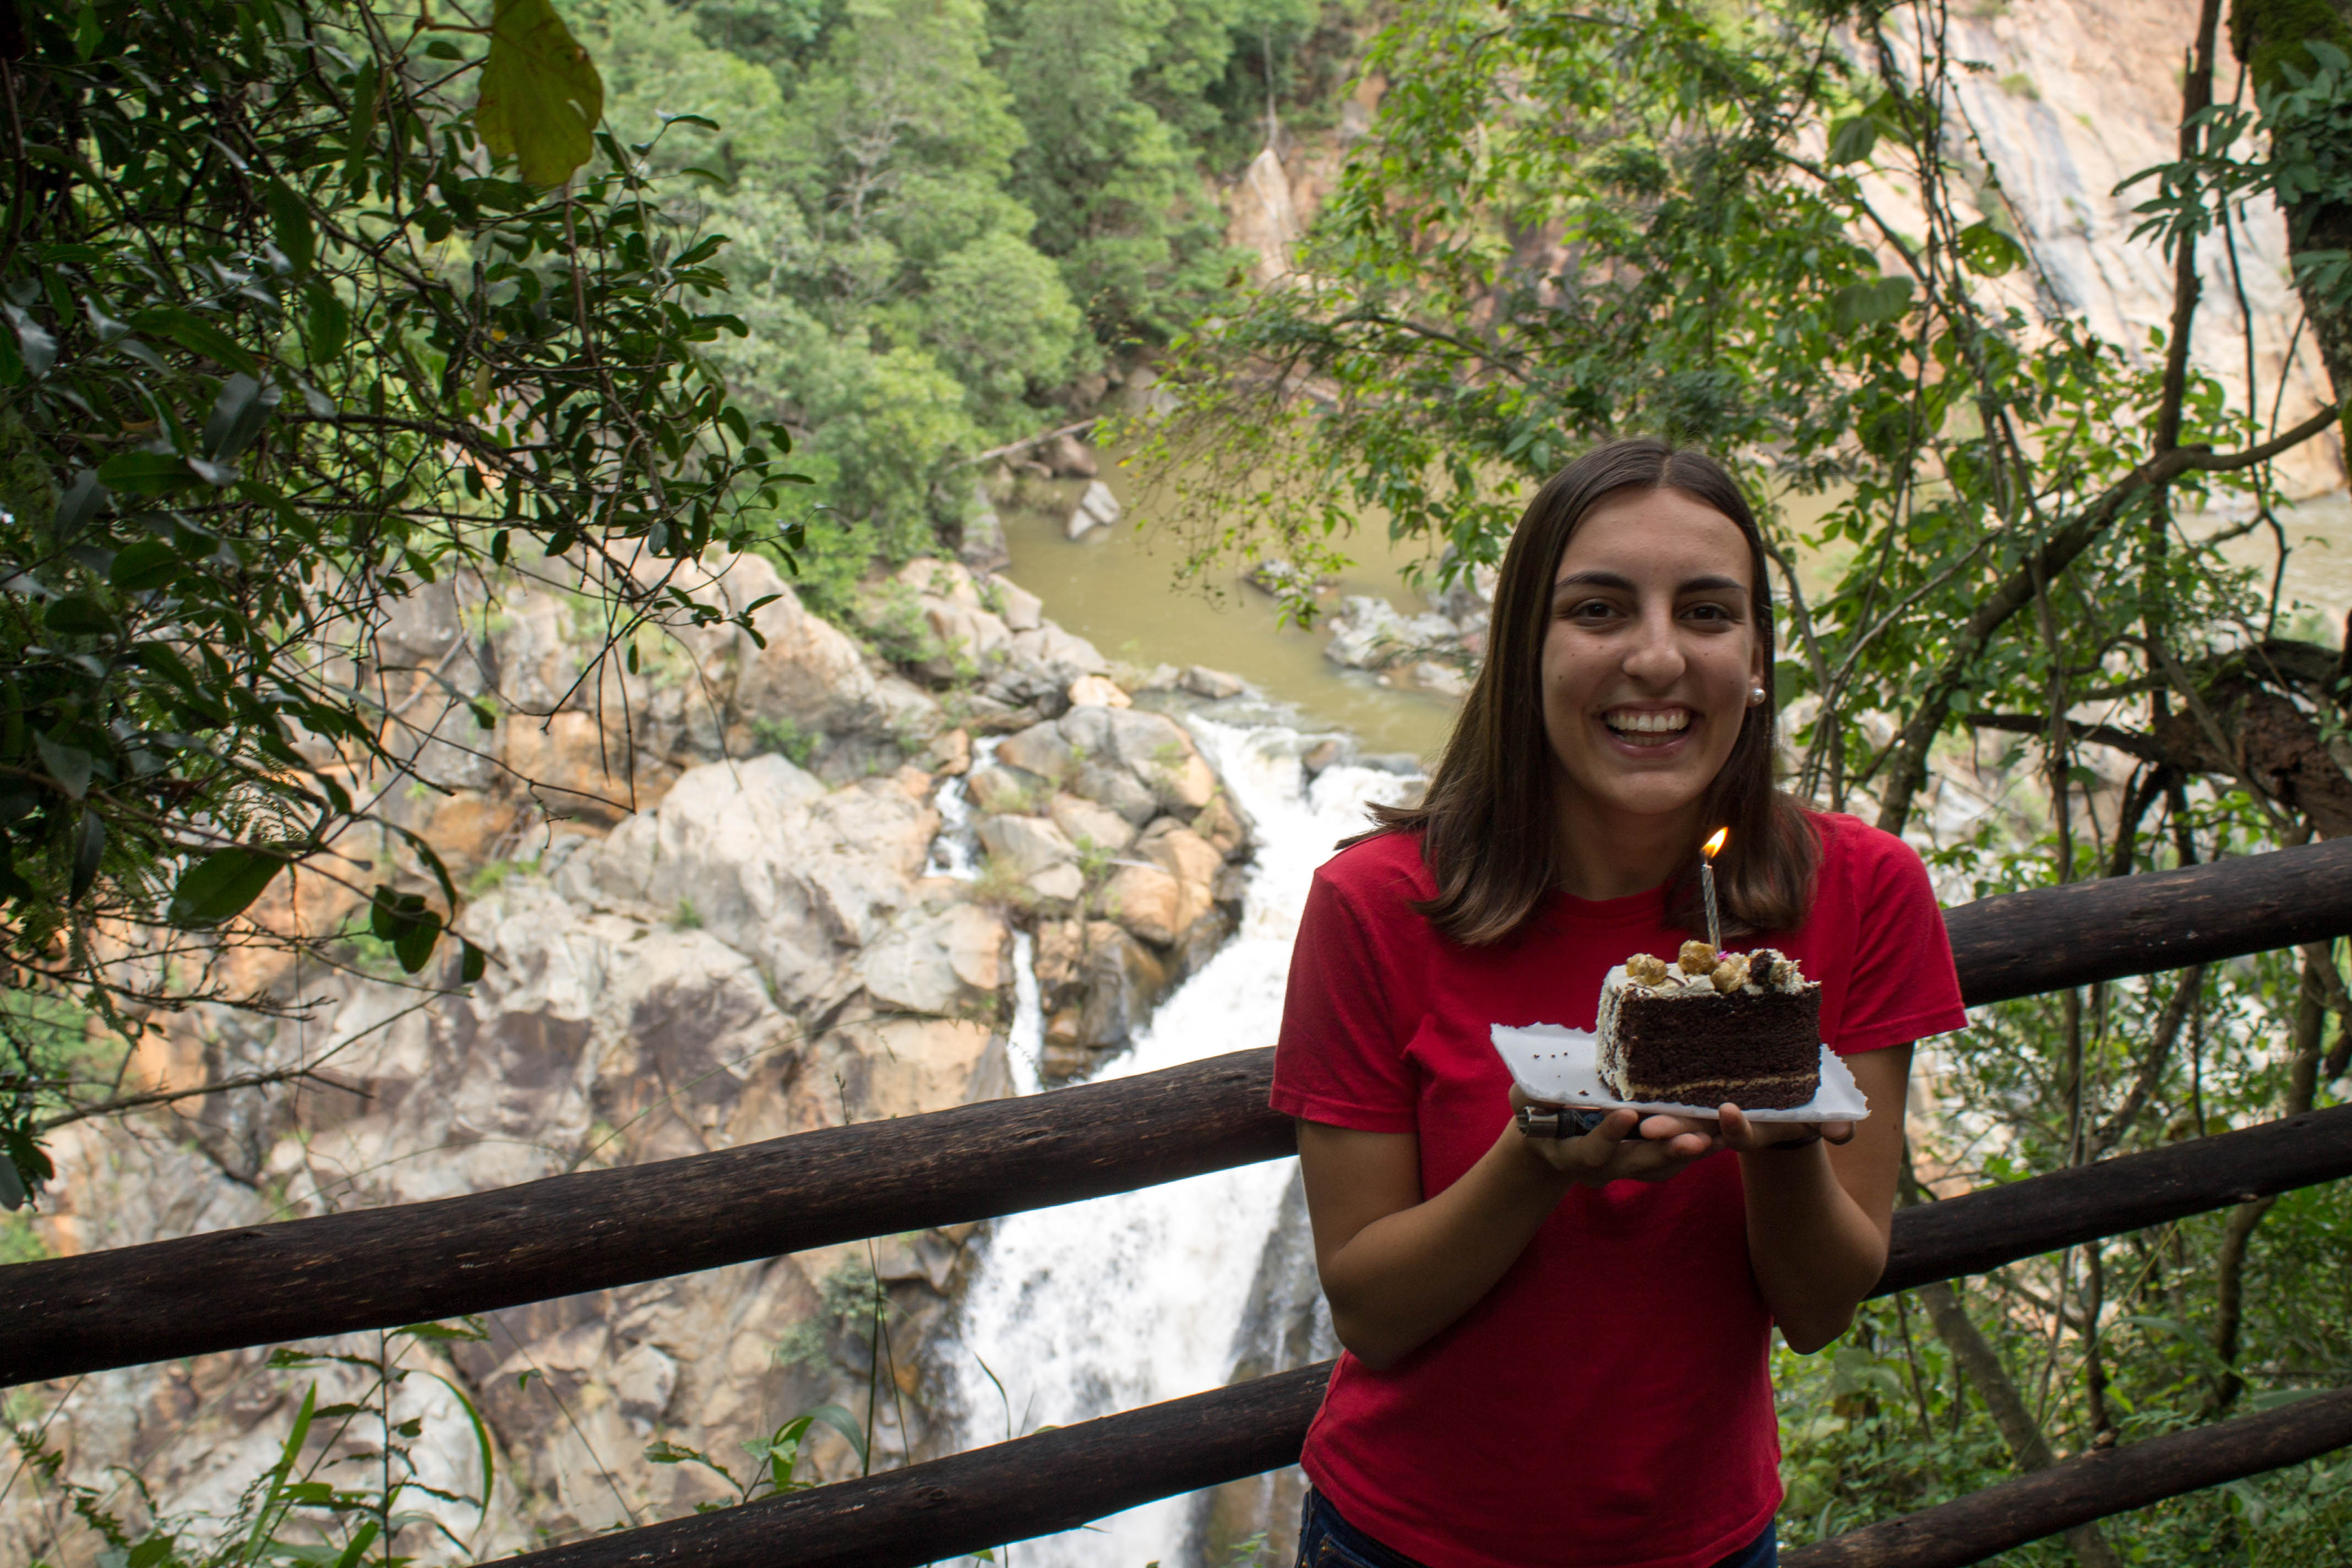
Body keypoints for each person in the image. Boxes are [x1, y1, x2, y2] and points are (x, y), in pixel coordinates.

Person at [1271, 438, 1968, 1568]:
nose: (1656, 657)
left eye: (1706, 612)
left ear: (1756, 659)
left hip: (1705, 1541)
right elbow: (1373, 1311)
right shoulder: (1375, 904)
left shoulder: (1865, 891)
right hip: (1403, 1541)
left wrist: (1778, 1118)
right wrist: (1537, 1161)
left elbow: (1823, 1303)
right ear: (1525, 651)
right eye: (1599, 609)